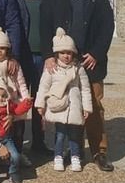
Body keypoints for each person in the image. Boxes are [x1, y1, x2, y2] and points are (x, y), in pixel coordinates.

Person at [40, 0, 115, 172]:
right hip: (63, 63)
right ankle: (74, 149)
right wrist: (48, 56)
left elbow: (107, 27)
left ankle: (99, 152)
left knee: (94, 107)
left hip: (90, 62)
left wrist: (96, 53)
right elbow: (44, 28)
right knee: (68, 105)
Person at [35, 27, 92, 172]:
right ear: (57, 54)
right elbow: (43, 87)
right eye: (62, 53)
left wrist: (87, 107)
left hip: (74, 106)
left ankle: (75, 156)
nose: (66, 56)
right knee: (60, 134)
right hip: (59, 106)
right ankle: (58, 156)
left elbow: (85, 89)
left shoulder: (78, 69)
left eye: (69, 53)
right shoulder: (52, 69)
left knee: (74, 134)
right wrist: (40, 104)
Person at [12, 0, 53, 155]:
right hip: (20, 58)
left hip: (42, 58)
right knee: (20, 101)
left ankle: (39, 142)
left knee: (39, 101)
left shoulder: (47, 0)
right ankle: (18, 145)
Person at [0, 26, 31, 166]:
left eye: (3, 48)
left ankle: (19, 153)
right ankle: (2, 156)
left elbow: (21, 83)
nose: (0, 51)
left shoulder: (14, 64)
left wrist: (25, 97)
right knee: (1, 131)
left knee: (18, 130)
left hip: (14, 101)